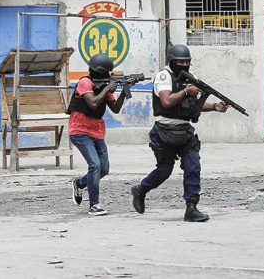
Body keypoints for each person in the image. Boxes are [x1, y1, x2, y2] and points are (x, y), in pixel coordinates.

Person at [131, 44, 228, 222]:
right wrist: (185, 91)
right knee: (164, 170)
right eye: (180, 62)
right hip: (164, 130)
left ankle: (191, 208)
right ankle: (141, 189)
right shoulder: (163, 76)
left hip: (184, 131)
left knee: (193, 166)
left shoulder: (192, 78)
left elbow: (194, 105)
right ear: (172, 61)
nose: (184, 64)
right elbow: (166, 101)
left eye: (187, 62)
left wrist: (214, 106)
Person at [69, 54, 134, 216]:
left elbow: (116, 108)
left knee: (103, 168)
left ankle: (80, 183)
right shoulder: (85, 82)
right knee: (95, 165)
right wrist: (108, 88)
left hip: (97, 131)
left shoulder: (105, 86)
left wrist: (125, 90)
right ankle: (94, 205)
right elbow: (92, 103)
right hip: (79, 130)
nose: (109, 76)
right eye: (107, 73)